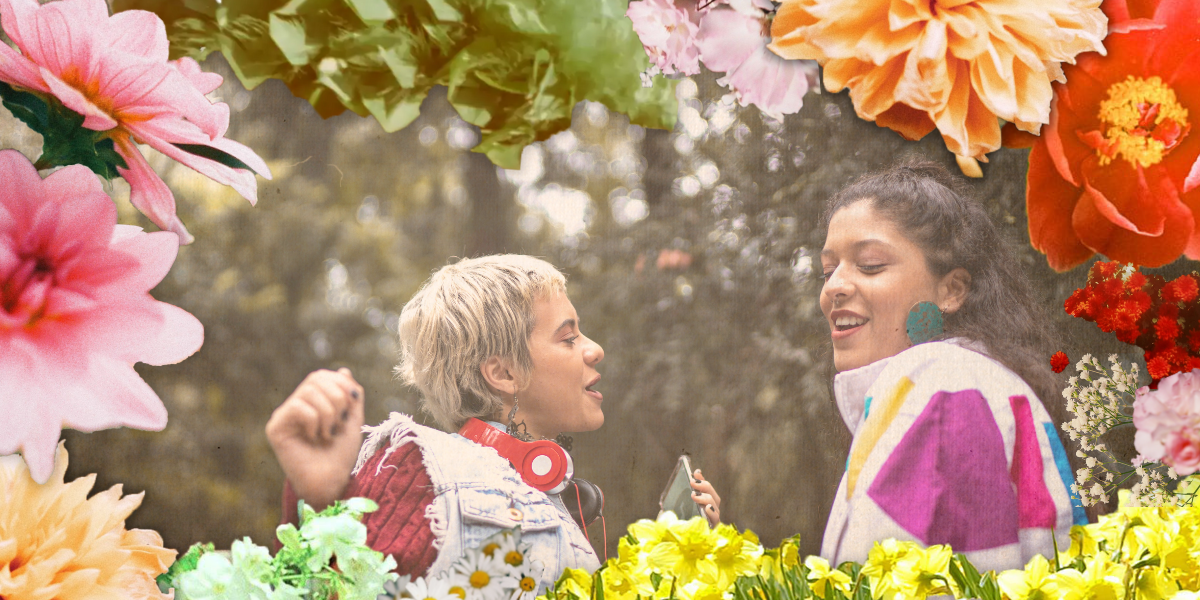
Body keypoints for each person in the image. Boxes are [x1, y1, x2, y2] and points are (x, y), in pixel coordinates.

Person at [707, 160, 1086, 573]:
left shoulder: (941, 385)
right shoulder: (966, 381)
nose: (833, 287)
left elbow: (879, 585)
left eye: (870, 264)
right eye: (828, 270)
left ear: (951, 290)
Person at [265, 255, 721, 587]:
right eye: (568, 337)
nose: (594, 348)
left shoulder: (550, 499)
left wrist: (682, 558)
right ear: (503, 373)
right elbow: (340, 584)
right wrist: (320, 504)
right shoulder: (418, 467)